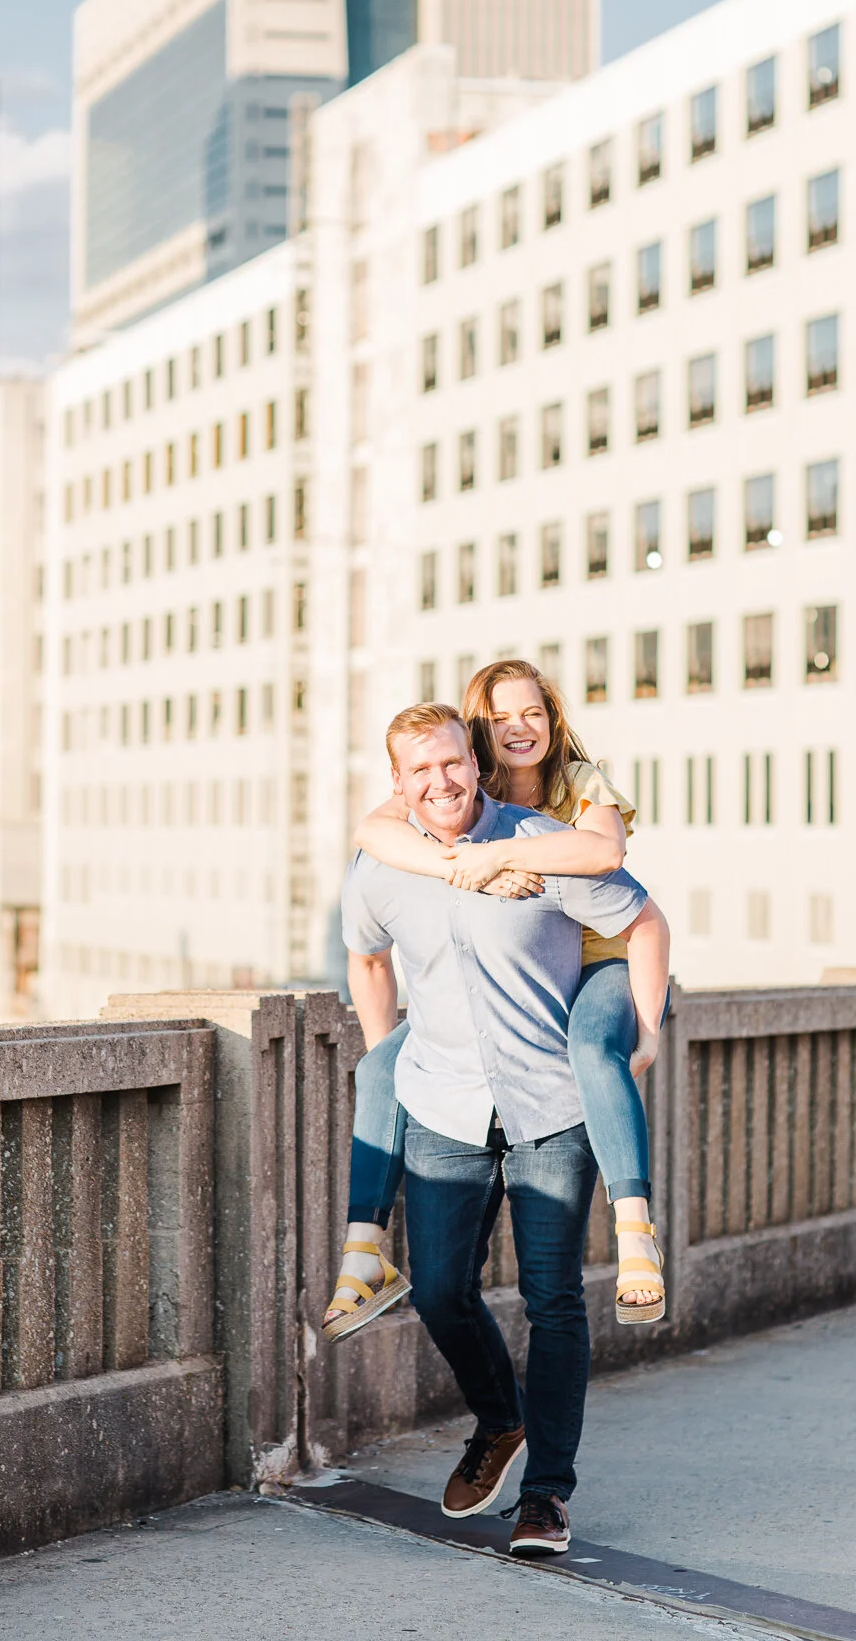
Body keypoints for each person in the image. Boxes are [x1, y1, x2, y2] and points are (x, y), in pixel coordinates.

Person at [339, 700, 670, 1552]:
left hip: (549, 1104)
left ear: (474, 763)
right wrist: (388, 1060)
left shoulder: (535, 843)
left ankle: (546, 1497)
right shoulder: (382, 863)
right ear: (399, 783)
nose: (441, 781)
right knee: (441, 1289)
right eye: (421, 770)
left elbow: (636, 917)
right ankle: (498, 1420)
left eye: (452, 763)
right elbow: (366, 953)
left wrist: (638, 1030)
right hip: (442, 1106)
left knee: (552, 1301)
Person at [324, 661, 666, 1344]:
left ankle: (635, 1230)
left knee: (593, 1050)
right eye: (501, 718)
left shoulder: (574, 783)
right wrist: (466, 866)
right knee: (377, 1069)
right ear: (480, 735)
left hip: (599, 956)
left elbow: (604, 854)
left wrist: (648, 1031)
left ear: (552, 720)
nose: (519, 729)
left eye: (533, 714)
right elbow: (373, 834)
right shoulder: (447, 782)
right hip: (496, 1008)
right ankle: (363, 1254)